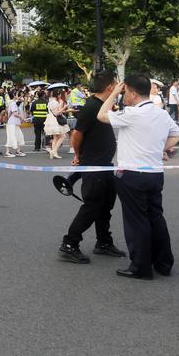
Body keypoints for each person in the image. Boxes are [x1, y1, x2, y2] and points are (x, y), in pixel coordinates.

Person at [97, 74, 179, 280]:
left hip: (132, 174)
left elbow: (101, 115)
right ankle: (163, 262)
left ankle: (140, 266)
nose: (123, 95)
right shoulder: (160, 113)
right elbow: (177, 133)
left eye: (125, 92)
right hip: (154, 173)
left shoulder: (132, 113)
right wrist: (161, 149)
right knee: (155, 217)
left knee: (136, 222)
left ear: (133, 93)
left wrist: (114, 92)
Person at [57, 71, 126, 264]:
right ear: (111, 87)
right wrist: (78, 156)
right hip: (93, 165)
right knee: (92, 205)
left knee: (105, 206)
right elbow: (76, 135)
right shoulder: (91, 107)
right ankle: (70, 243)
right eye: (117, 84)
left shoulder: (102, 106)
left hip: (104, 165)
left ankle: (103, 241)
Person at [44, 89, 70, 159]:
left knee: (56, 137)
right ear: (58, 95)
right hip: (55, 120)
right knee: (62, 136)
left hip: (51, 119)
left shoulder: (51, 101)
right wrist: (64, 107)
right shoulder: (54, 102)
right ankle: (54, 151)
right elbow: (57, 113)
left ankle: (53, 153)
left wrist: (61, 106)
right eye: (60, 94)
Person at [3, 92, 26, 158]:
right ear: (13, 95)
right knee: (12, 137)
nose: (17, 95)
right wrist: (22, 117)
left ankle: (18, 151)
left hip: (14, 123)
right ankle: (8, 152)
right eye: (16, 94)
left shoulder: (12, 103)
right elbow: (15, 113)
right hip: (12, 123)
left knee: (18, 136)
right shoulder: (13, 103)